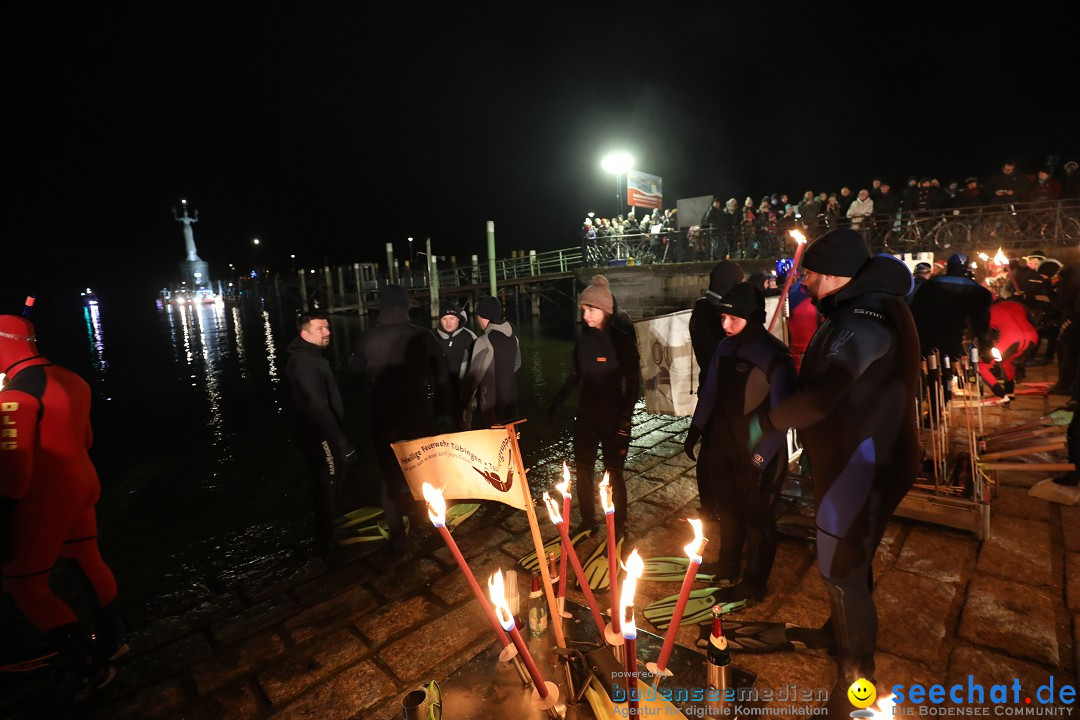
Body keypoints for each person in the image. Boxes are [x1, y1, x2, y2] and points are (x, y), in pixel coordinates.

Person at [747, 229, 920, 713]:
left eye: (809, 272)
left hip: (864, 462)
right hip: (861, 454)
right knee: (852, 558)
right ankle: (835, 632)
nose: (802, 280)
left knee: (840, 569)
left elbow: (822, 395)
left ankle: (856, 684)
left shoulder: (863, 320)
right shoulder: (866, 305)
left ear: (835, 275)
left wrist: (767, 423)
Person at [1, 314, 123, 699]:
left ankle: (90, 668)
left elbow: (13, 475)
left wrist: (2, 518)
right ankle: (112, 640)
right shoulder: (75, 379)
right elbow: (85, 438)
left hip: (47, 498)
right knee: (88, 560)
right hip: (84, 484)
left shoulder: (15, 397)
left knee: (26, 590)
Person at [683, 283, 796, 606]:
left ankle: (755, 583)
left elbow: (783, 417)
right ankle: (729, 563)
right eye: (723, 318)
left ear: (753, 318)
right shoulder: (725, 348)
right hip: (724, 445)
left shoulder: (776, 357)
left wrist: (759, 460)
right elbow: (710, 393)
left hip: (761, 452)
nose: (725, 325)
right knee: (728, 510)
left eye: (733, 319)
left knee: (758, 520)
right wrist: (696, 428)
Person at [350, 286, 450, 550]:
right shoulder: (423, 336)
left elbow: (354, 369)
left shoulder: (366, 337)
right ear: (405, 306)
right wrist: (442, 414)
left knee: (390, 476)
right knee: (424, 473)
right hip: (418, 415)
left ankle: (397, 537)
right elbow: (442, 380)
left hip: (383, 415)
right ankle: (430, 524)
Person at [548, 276, 639, 537]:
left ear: (606, 310)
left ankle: (619, 523)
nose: (585, 315)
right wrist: (556, 402)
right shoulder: (584, 341)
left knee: (614, 473)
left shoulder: (622, 341)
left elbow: (633, 385)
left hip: (613, 418)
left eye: (591, 309)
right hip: (587, 415)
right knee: (584, 471)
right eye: (583, 309)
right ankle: (588, 521)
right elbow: (575, 377)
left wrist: (625, 419)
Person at [286, 310, 357, 552]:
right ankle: (326, 536)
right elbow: (316, 404)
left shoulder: (312, 356)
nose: (327, 332)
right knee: (328, 477)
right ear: (304, 333)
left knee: (333, 475)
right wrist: (340, 440)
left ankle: (330, 522)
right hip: (317, 433)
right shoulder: (303, 361)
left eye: (327, 327)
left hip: (323, 431)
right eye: (320, 329)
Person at [688, 261, 745, 550]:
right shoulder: (714, 314)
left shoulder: (701, 308)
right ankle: (713, 505)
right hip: (717, 390)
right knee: (713, 449)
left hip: (709, 386)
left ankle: (709, 504)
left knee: (709, 447)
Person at [461, 295, 520, 428]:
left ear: (482, 316)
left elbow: (473, 379)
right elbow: (517, 364)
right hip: (512, 397)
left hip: (491, 402)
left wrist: (465, 404)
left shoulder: (483, 341)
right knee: (512, 438)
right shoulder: (513, 337)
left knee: (494, 441)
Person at [978, 299, 1039, 398]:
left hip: (1011, 339)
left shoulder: (988, 311)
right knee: (1006, 360)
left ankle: (1001, 396)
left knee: (981, 366)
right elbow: (1033, 321)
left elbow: (985, 335)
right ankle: (1009, 393)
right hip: (1032, 337)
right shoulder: (1017, 304)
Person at [433, 300, 476, 430]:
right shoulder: (430, 336)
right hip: (438, 396)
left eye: (452, 318)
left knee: (463, 431)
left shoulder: (469, 337)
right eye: (444, 318)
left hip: (463, 395)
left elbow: (478, 369)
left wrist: (473, 398)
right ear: (440, 320)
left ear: (458, 319)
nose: (448, 322)